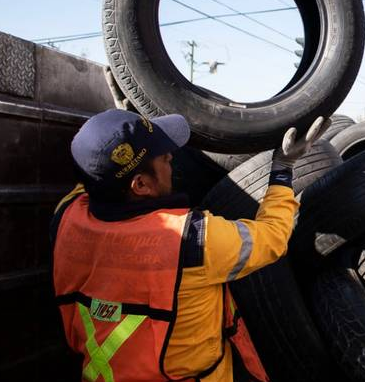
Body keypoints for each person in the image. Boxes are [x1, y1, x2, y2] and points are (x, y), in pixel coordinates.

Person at [50, 108, 330, 381]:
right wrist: (283, 168)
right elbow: (272, 237)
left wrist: (127, 116)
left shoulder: (66, 217)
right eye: (164, 158)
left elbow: (94, 173)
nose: (171, 156)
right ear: (141, 185)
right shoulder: (192, 240)